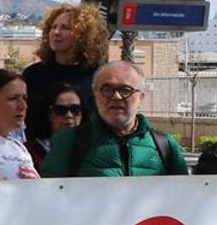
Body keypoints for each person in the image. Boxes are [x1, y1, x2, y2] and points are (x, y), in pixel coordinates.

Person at [40, 61, 188, 178]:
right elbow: (51, 196)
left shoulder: (165, 145)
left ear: (141, 97)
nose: (116, 97)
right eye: (107, 90)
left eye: (125, 90)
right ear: (95, 95)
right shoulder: (68, 142)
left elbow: (184, 198)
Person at [21, 2, 108, 144]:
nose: (56, 32)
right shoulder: (33, 74)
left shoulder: (98, 76)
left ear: (84, 36)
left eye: (65, 28)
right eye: (53, 27)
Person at [28, 82, 86, 172]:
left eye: (75, 109)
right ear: (48, 114)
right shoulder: (30, 151)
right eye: (60, 110)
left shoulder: (92, 148)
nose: (69, 115)